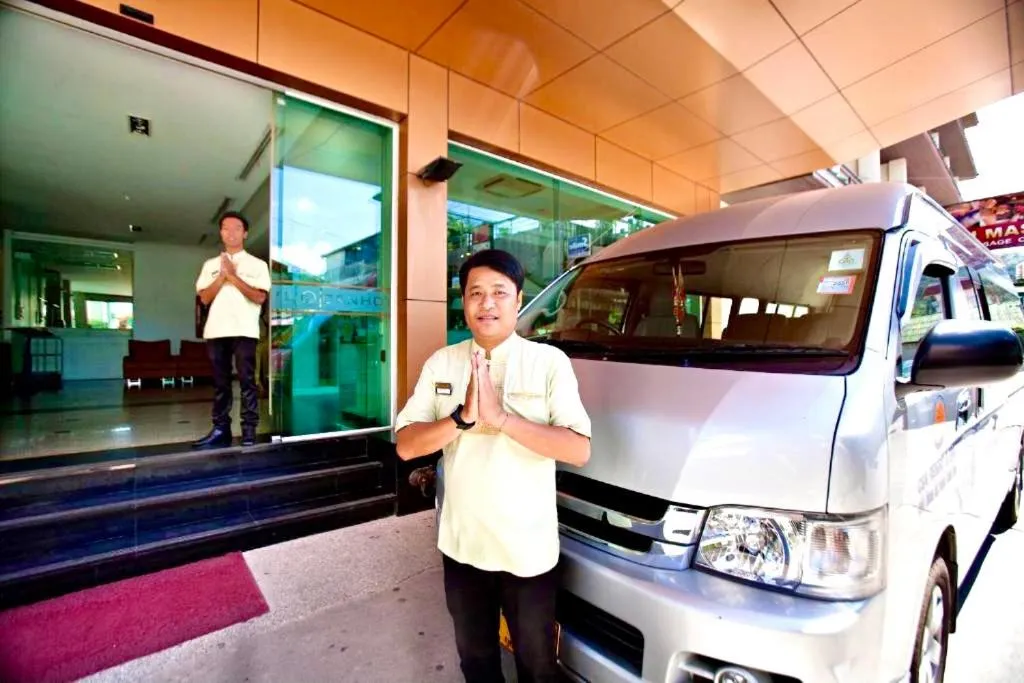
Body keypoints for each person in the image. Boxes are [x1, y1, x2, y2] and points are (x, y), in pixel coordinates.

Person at [395, 249, 591, 683]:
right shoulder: (442, 363)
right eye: (475, 293)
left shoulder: (548, 363)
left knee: (538, 665)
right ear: (463, 301)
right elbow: (406, 445)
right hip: (463, 549)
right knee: (477, 661)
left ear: (518, 300)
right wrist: (460, 418)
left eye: (499, 292)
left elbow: (578, 449)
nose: (487, 303)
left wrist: (502, 419)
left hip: (528, 552)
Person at [192, 211, 271, 448]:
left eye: (237, 228)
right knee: (220, 383)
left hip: (245, 330)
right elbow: (204, 298)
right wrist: (221, 277)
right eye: (226, 228)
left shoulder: (257, 264)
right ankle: (220, 430)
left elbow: (259, 297)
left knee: (247, 382)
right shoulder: (210, 265)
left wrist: (233, 276)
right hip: (216, 331)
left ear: (245, 233)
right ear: (221, 233)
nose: (231, 232)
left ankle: (249, 431)